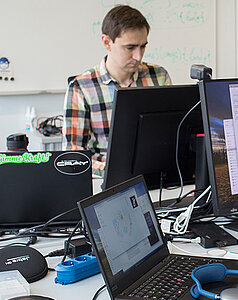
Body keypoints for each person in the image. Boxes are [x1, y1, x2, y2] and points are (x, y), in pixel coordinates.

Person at [63, 5, 171, 176]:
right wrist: (110, 171)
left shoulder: (158, 76)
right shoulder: (81, 87)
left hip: (156, 175)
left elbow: (171, 134)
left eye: (143, 46)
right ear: (107, 42)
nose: (138, 56)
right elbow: (73, 155)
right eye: (130, 48)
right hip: (108, 179)